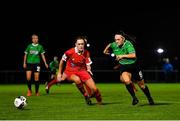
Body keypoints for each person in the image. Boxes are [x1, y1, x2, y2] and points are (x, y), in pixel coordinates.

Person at [103, 31, 154, 105]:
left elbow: (133, 55)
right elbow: (106, 50)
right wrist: (108, 51)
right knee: (126, 81)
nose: (116, 41)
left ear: (123, 39)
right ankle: (134, 98)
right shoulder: (114, 44)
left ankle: (149, 97)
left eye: (118, 39)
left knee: (142, 86)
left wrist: (122, 56)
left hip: (134, 66)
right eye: (115, 39)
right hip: (124, 67)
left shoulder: (128, 44)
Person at [56, 36, 102, 105]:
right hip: (70, 71)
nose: (81, 46)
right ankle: (86, 95)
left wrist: (89, 69)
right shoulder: (69, 52)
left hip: (82, 71)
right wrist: (59, 73)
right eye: (79, 44)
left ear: (84, 44)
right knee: (77, 80)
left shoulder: (86, 52)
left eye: (82, 44)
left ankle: (100, 102)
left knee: (94, 89)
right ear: (76, 44)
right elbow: (62, 61)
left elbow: (88, 63)